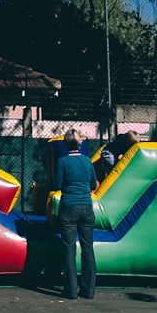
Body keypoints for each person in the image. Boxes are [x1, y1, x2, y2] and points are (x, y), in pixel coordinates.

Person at [54, 127, 98, 300]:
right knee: (87, 249)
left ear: (65, 144)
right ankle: (88, 290)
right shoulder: (87, 161)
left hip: (68, 207)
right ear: (80, 143)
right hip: (86, 207)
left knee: (69, 249)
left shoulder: (62, 162)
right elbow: (93, 183)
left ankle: (71, 291)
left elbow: (56, 184)